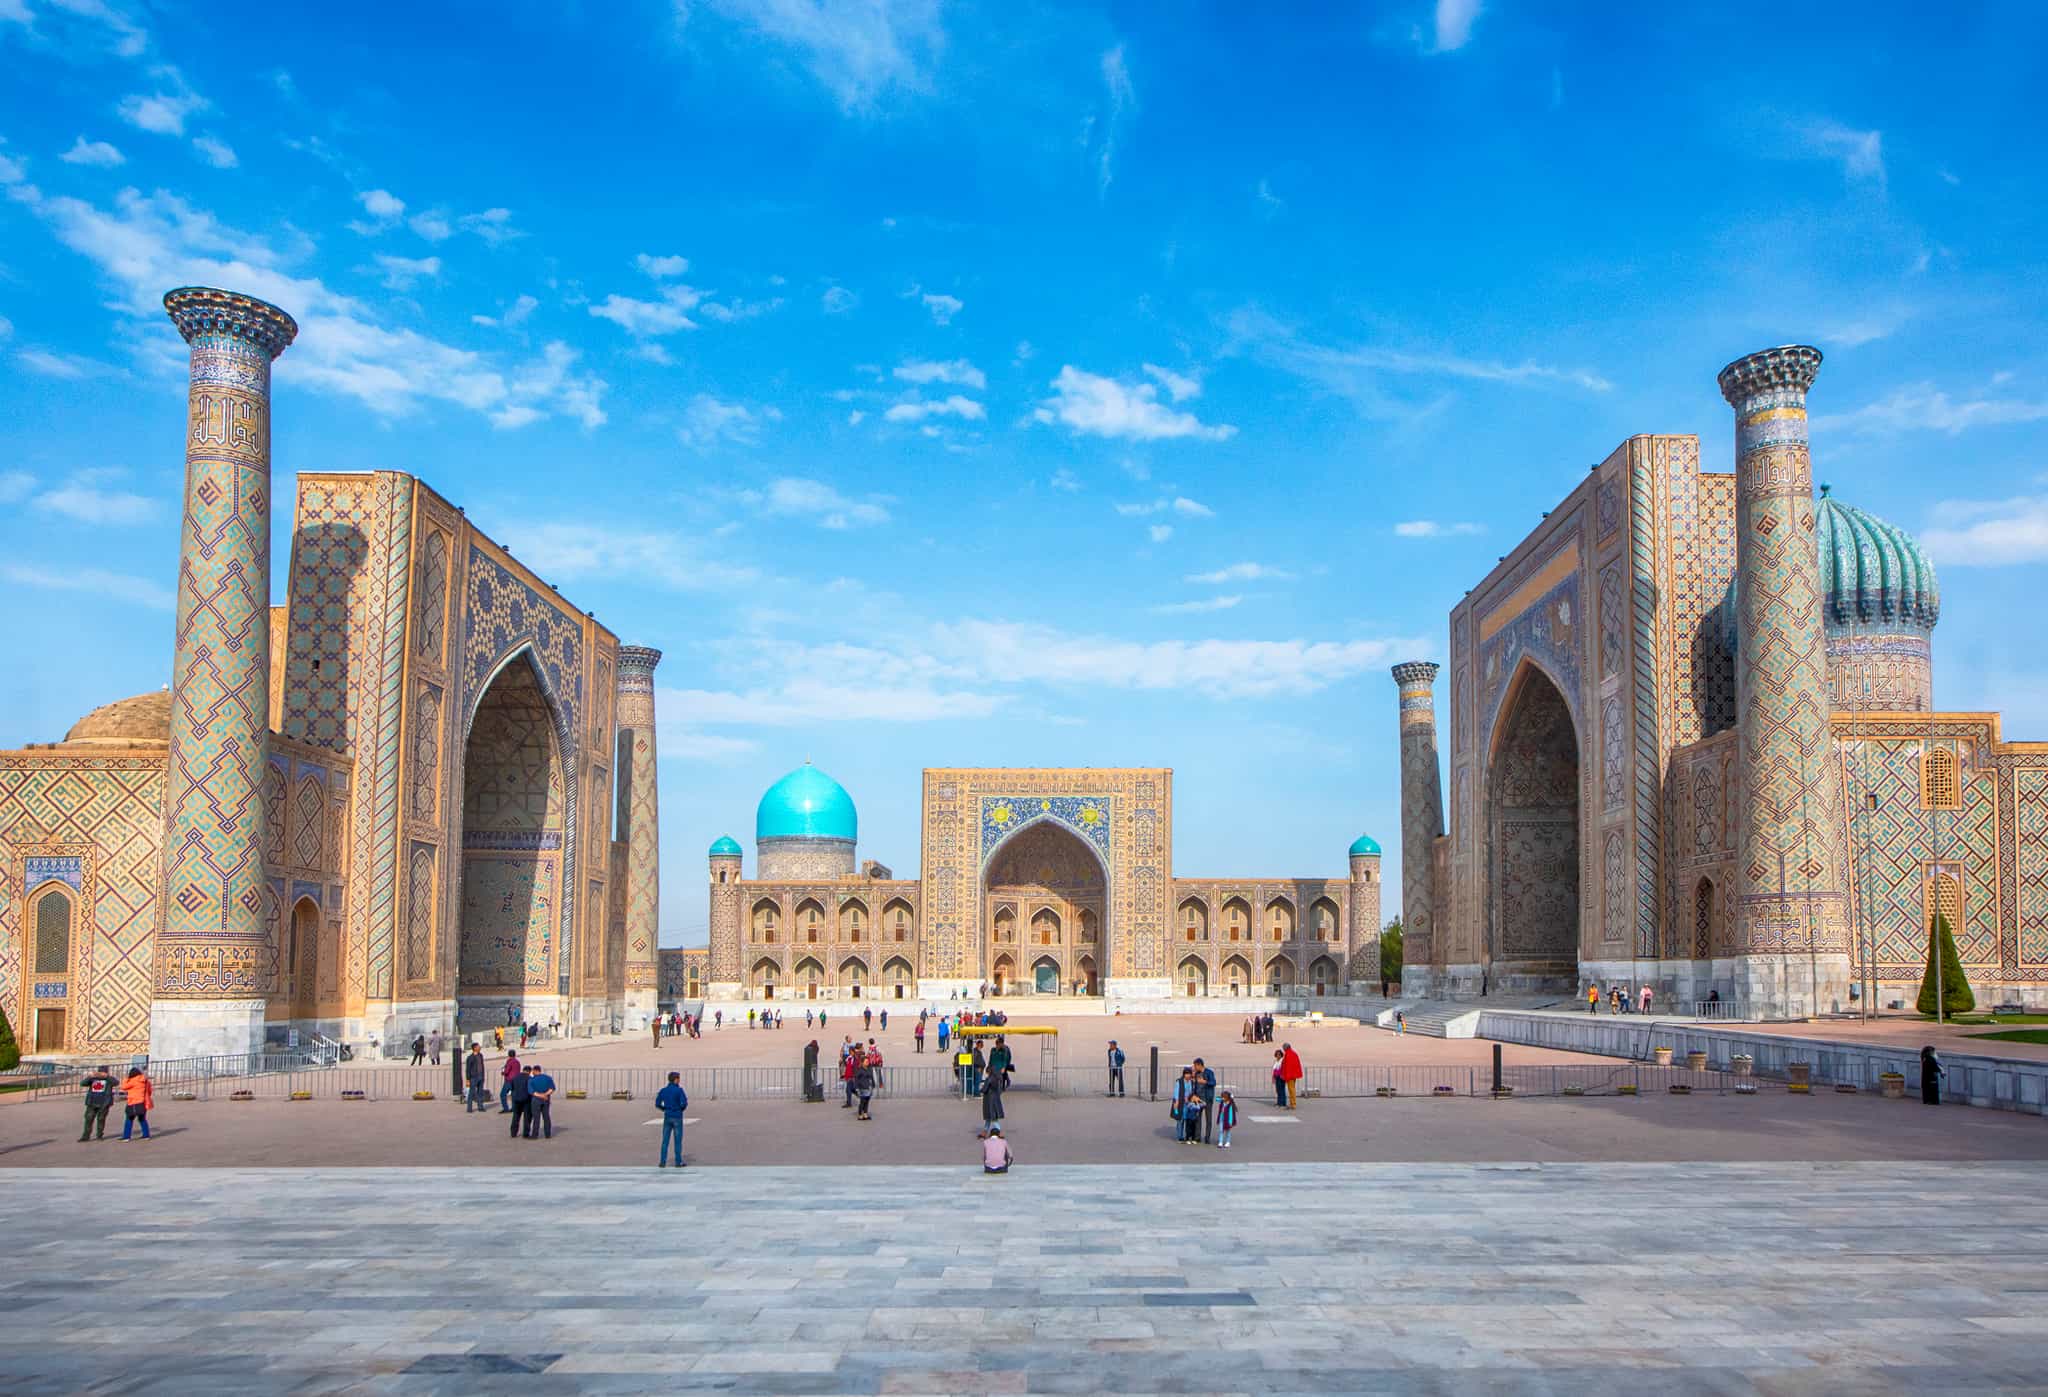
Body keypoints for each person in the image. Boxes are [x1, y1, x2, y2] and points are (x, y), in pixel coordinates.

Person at [656, 1071, 689, 1167]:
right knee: (677, 1141)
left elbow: (657, 1103)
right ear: (675, 1079)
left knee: (665, 1141)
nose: (679, 1080)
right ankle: (678, 1162)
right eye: (678, 1078)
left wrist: (664, 1109)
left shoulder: (663, 1090)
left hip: (667, 1116)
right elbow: (684, 1103)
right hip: (677, 1117)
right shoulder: (679, 1090)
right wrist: (680, 1109)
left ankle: (662, 1162)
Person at [79, 1065, 117, 1142]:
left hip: (104, 1102)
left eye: (103, 1072)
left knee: (101, 1119)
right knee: (89, 1119)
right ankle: (86, 1136)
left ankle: (99, 1135)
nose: (101, 1074)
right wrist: (90, 1077)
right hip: (92, 1102)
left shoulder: (109, 1079)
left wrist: (107, 1076)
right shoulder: (93, 1078)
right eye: (100, 1072)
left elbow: (116, 1082)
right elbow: (82, 1083)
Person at [119, 1066, 154, 1141]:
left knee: (129, 1119)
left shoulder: (133, 1080)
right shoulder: (146, 1081)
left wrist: (126, 1079)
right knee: (142, 1119)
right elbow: (149, 1091)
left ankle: (126, 1136)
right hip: (143, 1102)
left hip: (133, 1102)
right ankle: (146, 1135)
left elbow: (123, 1087)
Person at [525, 1063, 556, 1139]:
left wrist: (540, 1095)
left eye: (533, 1071)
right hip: (546, 1099)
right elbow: (552, 1088)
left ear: (535, 1071)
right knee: (546, 1117)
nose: (532, 1072)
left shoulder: (531, 1080)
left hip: (536, 1100)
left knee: (536, 1118)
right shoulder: (548, 1078)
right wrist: (545, 1094)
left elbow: (532, 1092)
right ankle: (548, 1134)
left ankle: (535, 1135)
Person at [1192, 1057, 1217, 1142]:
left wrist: (1205, 1082)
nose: (1194, 1067)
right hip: (1198, 1099)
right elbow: (1195, 1086)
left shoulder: (1209, 1072)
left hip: (1207, 1098)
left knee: (1208, 1119)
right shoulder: (1196, 1074)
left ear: (1200, 1065)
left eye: (1195, 1066)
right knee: (1198, 1118)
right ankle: (1197, 1137)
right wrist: (1194, 1095)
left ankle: (1207, 1138)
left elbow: (1213, 1083)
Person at [507, 1064, 534, 1139]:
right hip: (527, 1099)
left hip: (516, 1099)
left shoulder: (515, 1077)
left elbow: (511, 1087)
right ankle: (526, 1133)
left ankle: (513, 1132)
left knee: (516, 1116)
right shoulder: (530, 1078)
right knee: (527, 1117)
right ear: (529, 1071)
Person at [1172, 1067, 1197, 1143]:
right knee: (1180, 1120)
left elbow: (1191, 1091)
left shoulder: (1191, 1082)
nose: (1188, 1075)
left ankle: (1187, 1136)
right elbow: (1176, 1092)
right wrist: (1176, 1102)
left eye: (1189, 1074)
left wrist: (1190, 1098)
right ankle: (1180, 1136)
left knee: (1187, 1120)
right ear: (1184, 1074)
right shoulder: (1179, 1082)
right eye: (1186, 1074)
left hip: (1188, 1104)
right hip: (1180, 1103)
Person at [980, 1061, 1005, 1129]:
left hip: (989, 1100)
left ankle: (998, 1130)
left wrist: (981, 1090)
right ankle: (985, 1131)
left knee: (992, 1117)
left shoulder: (989, 1079)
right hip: (995, 1099)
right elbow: (1000, 1089)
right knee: (989, 1118)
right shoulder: (998, 1078)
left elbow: (984, 1089)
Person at [464, 1044, 488, 1113]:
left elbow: (482, 1066)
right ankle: (469, 1108)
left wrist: (483, 1076)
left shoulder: (480, 1055)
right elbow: (468, 1069)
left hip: (481, 1076)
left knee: (480, 1093)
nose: (479, 1047)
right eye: (478, 1047)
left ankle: (480, 1107)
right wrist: (468, 1079)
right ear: (474, 1048)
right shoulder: (470, 1058)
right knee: (471, 1093)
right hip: (473, 1077)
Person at [1280, 1043, 1304, 1109]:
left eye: (1283, 1048)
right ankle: (1292, 1103)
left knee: (1291, 1090)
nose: (1283, 1049)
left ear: (1286, 1048)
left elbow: (1287, 1066)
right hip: (1293, 1074)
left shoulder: (1288, 1054)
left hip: (1290, 1075)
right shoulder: (1293, 1053)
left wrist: (1285, 1075)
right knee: (1292, 1089)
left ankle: (1293, 1104)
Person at [854, 1055, 876, 1120]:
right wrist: (856, 1088)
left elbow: (871, 1077)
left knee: (867, 1101)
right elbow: (856, 1079)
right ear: (862, 1062)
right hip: (862, 1088)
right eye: (866, 1061)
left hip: (869, 1087)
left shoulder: (870, 1069)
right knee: (862, 1102)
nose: (867, 1063)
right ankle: (860, 1114)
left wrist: (873, 1084)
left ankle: (865, 1114)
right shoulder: (860, 1070)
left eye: (868, 1061)